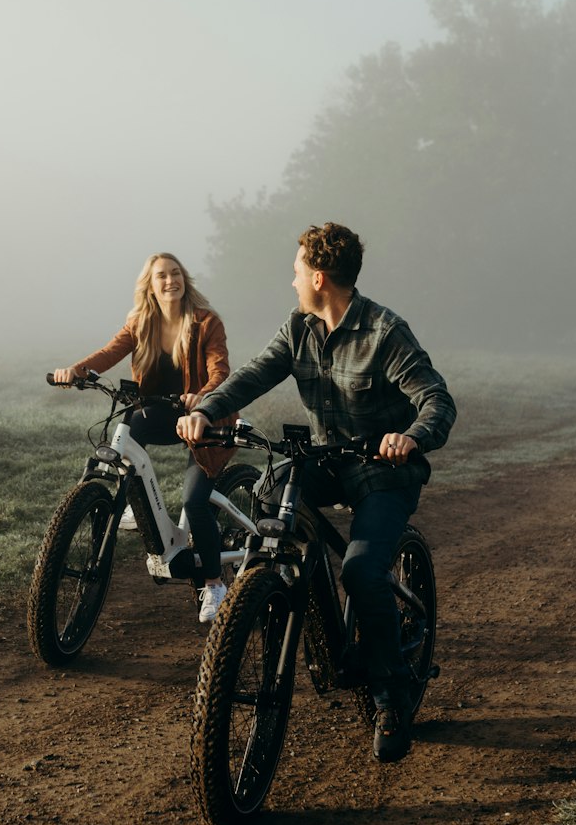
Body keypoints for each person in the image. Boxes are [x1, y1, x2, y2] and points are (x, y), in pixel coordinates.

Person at [177, 222, 456, 761]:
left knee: (361, 570)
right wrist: (208, 408)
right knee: (270, 496)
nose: (293, 280)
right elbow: (256, 373)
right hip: (326, 459)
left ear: (320, 277)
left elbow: (437, 401)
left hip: (382, 471)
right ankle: (286, 606)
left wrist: (411, 436)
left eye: (297, 270)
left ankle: (389, 692)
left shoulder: (384, 331)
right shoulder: (299, 326)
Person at [53, 252, 235, 625]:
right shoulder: (141, 322)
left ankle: (215, 583)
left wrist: (205, 396)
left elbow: (220, 369)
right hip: (163, 413)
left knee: (195, 502)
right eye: (161, 276)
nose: (170, 281)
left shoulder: (206, 322)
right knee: (130, 425)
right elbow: (109, 352)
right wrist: (76, 370)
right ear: (150, 287)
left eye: (175, 274)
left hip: (206, 421)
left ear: (184, 279)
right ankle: (135, 504)